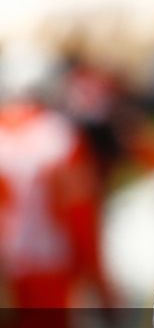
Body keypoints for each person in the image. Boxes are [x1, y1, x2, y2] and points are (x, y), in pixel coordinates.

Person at [0, 43, 117, 327]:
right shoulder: (60, 138)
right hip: (50, 268)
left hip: (11, 270)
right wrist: (101, 286)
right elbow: (81, 217)